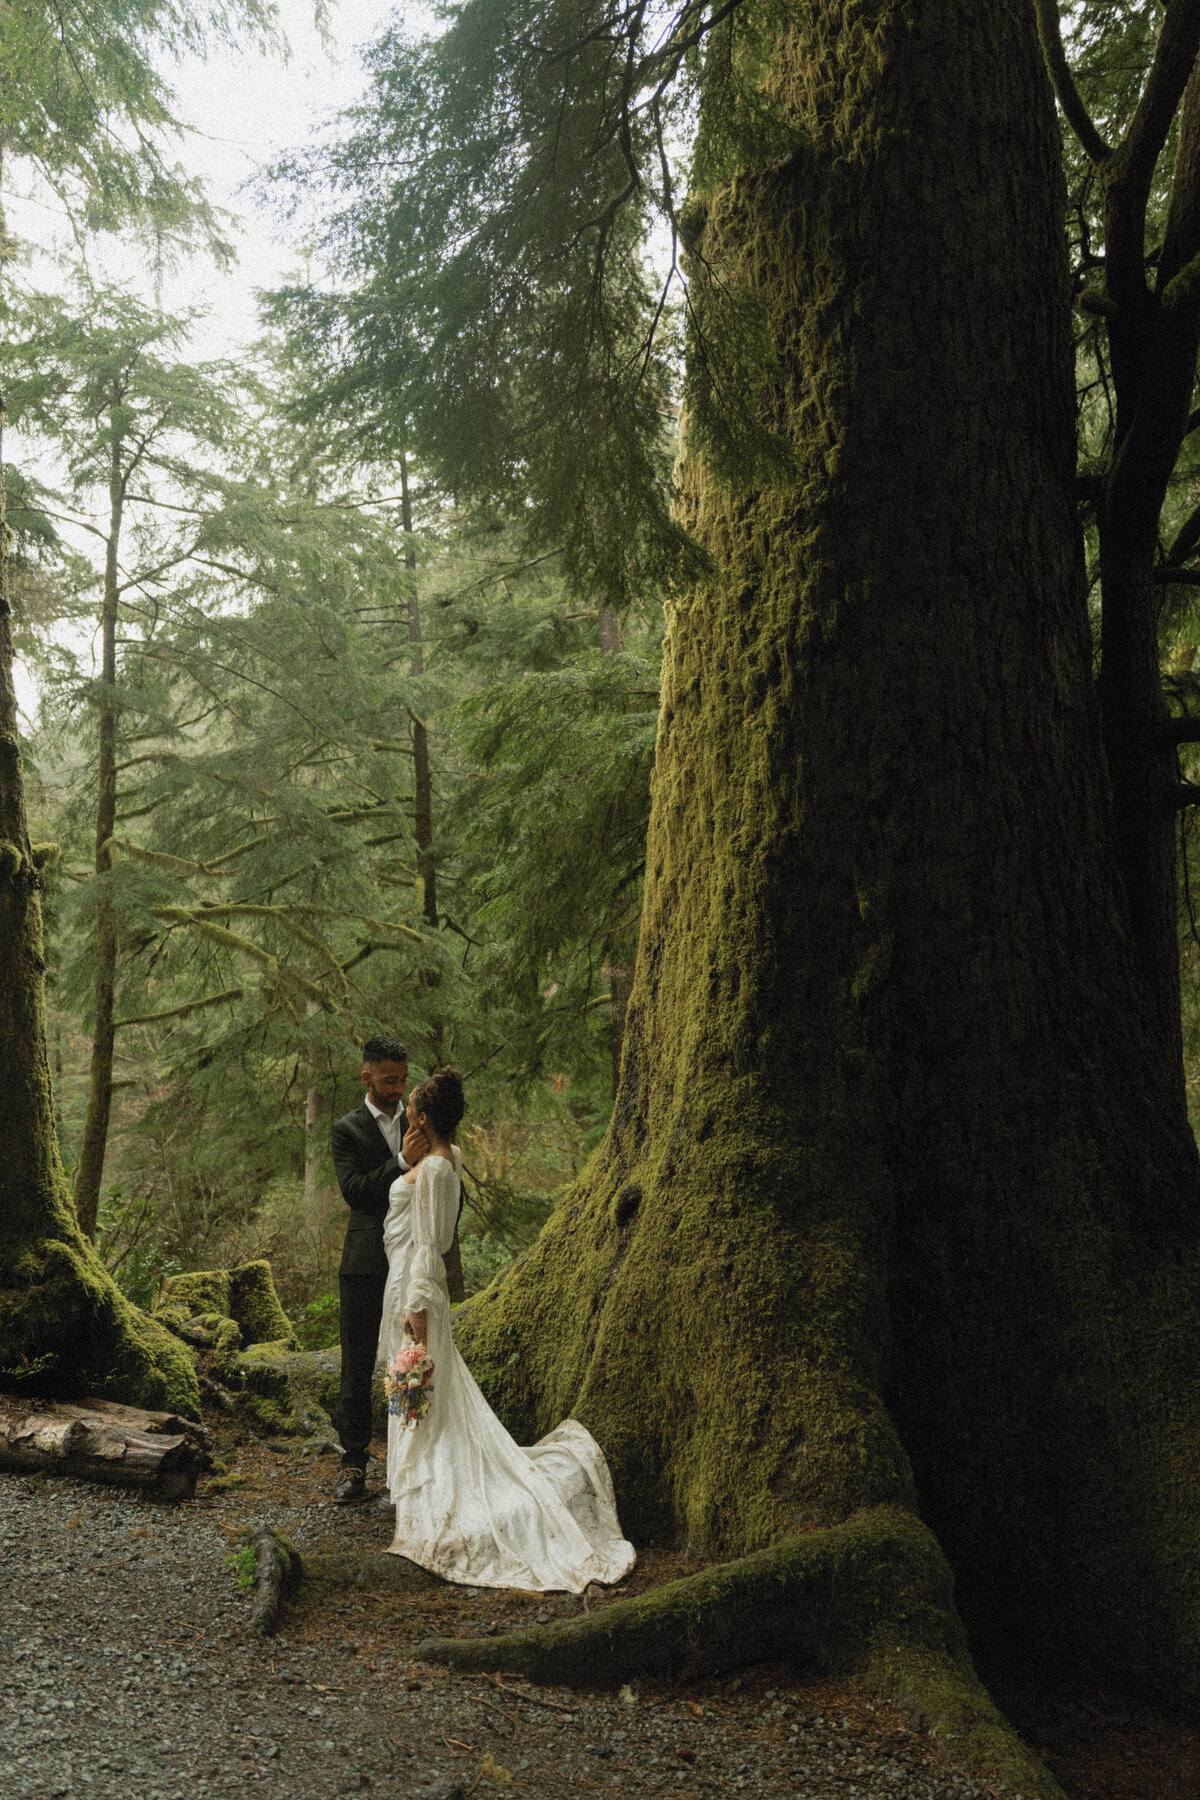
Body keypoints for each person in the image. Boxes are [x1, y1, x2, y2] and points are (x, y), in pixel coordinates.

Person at [378, 1067, 636, 1592]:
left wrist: (418, 1307)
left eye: (412, 1107)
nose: (405, 1110)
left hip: (415, 1288)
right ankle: (411, 1477)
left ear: (425, 1118)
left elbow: (430, 1244)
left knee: (423, 1384)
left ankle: (423, 1484)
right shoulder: (445, 1161)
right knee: (432, 1388)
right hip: (409, 1284)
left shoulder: (433, 1172)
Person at [330, 1034, 428, 1502]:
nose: (398, 1088)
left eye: (404, 1079)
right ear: (366, 1075)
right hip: (365, 1264)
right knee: (357, 1364)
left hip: (411, 1263)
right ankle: (352, 1465)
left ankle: (404, 1466)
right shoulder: (345, 1130)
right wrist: (403, 1160)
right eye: (390, 1079)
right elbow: (356, 1193)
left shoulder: (419, 1119)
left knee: (410, 1362)